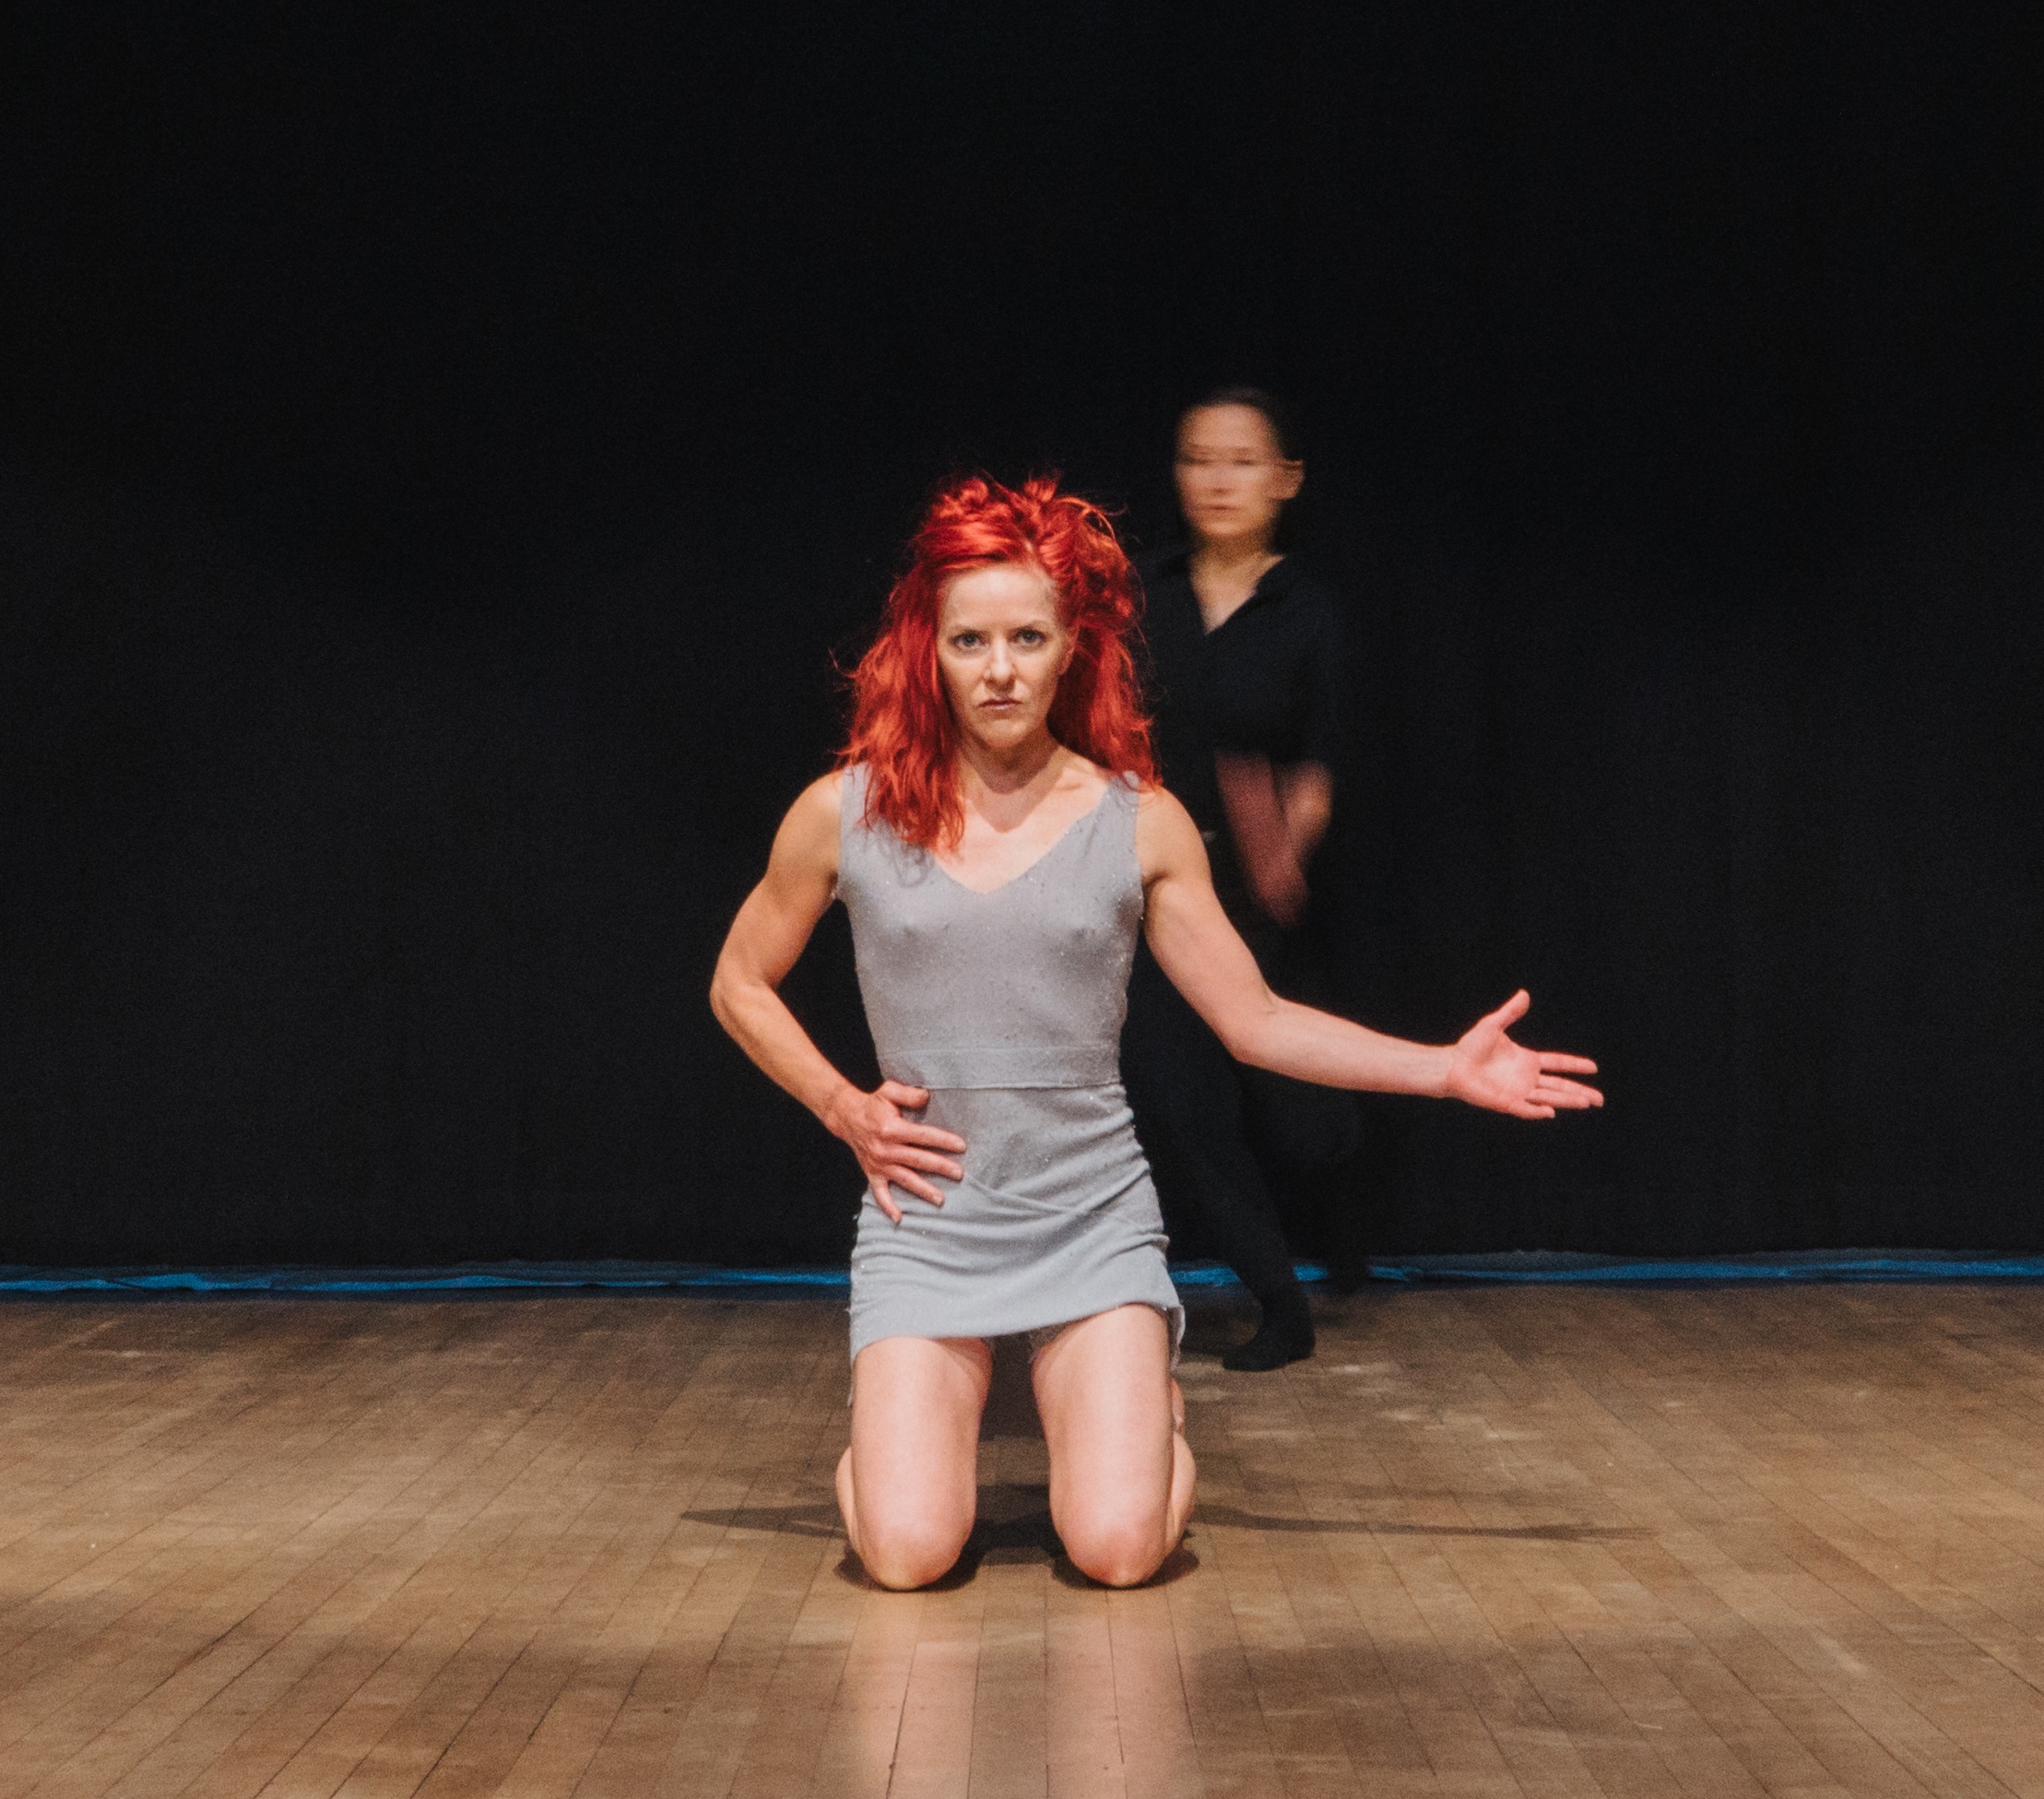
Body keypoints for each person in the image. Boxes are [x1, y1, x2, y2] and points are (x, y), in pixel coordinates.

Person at [710, 474, 1601, 1592]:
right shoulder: (843, 813)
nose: (999, 668)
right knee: (906, 1550)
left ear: (1071, 645)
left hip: (1089, 1220)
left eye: (1027, 637)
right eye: (970, 638)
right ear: (925, 647)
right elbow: (739, 980)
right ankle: (895, 1439)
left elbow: (1255, 1019)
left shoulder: (1140, 821)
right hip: (928, 1226)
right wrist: (843, 1107)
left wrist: (1444, 1069)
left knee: (1121, 1547)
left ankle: (1145, 1411)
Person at [1125, 386, 1367, 1370]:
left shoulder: (1309, 615)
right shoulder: (1139, 593)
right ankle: (1282, 1302)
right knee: (1184, 1106)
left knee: (1302, 1113)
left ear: (1286, 479)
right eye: (1197, 458)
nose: (1217, 479)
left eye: (1240, 460)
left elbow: (1318, 765)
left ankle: (1344, 1219)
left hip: (1255, 894)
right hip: (1145, 889)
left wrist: (1281, 864)